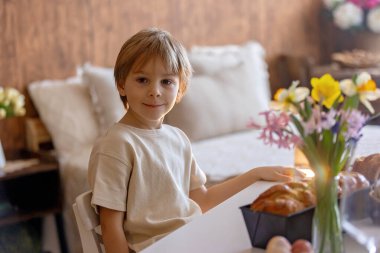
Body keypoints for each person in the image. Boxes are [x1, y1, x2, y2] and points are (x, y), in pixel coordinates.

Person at [88, 27, 304, 253]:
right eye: (142, 80)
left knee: (276, 241)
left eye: (167, 82)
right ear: (122, 84)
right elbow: (110, 224)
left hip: (196, 239)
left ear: (180, 88)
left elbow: (203, 199)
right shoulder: (117, 145)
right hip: (162, 247)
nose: (155, 91)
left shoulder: (177, 138)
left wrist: (255, 174)